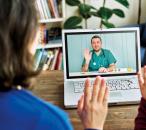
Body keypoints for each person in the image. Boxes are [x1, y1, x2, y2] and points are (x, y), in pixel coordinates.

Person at [0, 0, 108, 130]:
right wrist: (94, 126)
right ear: (28, 38)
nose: (96, 45)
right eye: (94, 43)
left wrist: (107, 68)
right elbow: (83, 70)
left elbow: (113, 67)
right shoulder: (50, 121)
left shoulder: (107, 53)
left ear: (101, 44)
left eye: (98, 42)